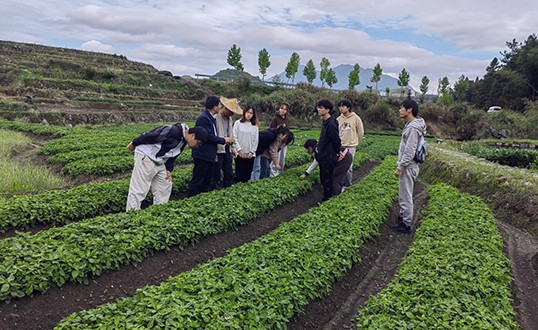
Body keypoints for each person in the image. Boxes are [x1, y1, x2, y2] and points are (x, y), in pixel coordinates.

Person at [125, 123, 207, 211]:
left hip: (159, 160)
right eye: (198, 143)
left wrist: (168, 169)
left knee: (165, 185)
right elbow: (150, 136)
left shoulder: (183, 140)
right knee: (139, 188)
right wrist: (134, 143)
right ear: (193, 136)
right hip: (146, 156)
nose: (197, 146)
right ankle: (132, 214)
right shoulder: (173, 131)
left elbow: (173, 154)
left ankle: (158, 212)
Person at [188, 95, 233, 197]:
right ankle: (191, 199)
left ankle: (202, 199)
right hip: (202, 154)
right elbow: (208, 137)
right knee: (198, 179)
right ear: (214, 106)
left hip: (209, 154)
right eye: (219, 105)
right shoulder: (204, 118)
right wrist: (224, 140)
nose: (220, 107)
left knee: (206, 180)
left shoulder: (210, 118)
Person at [392, 98, 427, 233]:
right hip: (410, 166)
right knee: (404, 194)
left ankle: (406, 224)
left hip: (408, 166)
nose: (399, 110)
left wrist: (400, 167)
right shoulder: (411, 125)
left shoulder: (413, 128)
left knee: (405, 195)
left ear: (409, 110)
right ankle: (403, 217)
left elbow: (409, 151)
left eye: (401, 108)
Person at [210, 97, 242, 189]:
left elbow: (230, 134)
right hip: (218, 150)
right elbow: (213, 136)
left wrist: (233, 148)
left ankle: (226, 191)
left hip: (227, 149)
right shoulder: (215, 118)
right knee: (215, 174)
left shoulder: (229, 119)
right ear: (226, 108)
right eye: (231, 111)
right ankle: (212, 192)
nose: (232, 113)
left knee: (229, 173)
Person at [315, 99, 343, 202]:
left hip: (328, 155)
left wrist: (337, 151)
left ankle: (327, 198)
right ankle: (326, 196)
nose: (318, 109)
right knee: (323, 177)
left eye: (321, 108)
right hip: (324, 154)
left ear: (327, 110)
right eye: (318, 107)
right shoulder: (326, 122)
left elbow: (336, 140)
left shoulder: (331, 124)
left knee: (326, 177)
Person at [336, 99, 364, 189]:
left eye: (343, 106)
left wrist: (355, 141)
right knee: (339, 166)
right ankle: (340, 184)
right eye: (340, 106)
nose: (341, 108)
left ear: (348, 108)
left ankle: (348, 185)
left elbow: (360, 132)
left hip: (351, 146)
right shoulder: (338, 119)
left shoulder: (355, 118)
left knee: (348, 167)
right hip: (340, 146)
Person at [232, 104, 259, 183]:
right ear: (244, 112)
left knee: (247, 175)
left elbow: (256, 140)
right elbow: (234, 137)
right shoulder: (238, 123)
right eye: (247, 112)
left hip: (250, 155)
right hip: (240, 153)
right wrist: (239, 150)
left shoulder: (254, 126)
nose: (249, 114)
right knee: (239, 174)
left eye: (251, 113)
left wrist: (252, 151)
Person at [269, 102, 290, 176]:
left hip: (284, 143)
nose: (283, 110)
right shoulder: (275, 119)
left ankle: (280, 174)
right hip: (276, 142)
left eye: (285, 109)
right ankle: (273, 174)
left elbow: (288, 131)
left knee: (282, 159)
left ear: (287, 111)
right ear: (279, 109)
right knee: (275, 158)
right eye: (281, 108)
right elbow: (271, 130)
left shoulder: (287, 119)